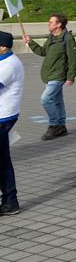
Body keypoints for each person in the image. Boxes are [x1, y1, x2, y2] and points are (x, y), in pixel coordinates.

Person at [24, 13, 76, 140]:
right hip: (48, 75)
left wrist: (71, 76)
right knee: (57, 101)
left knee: (46, 99)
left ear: (59, 24)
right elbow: (44, 52)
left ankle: (54, 125)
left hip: (58, 75)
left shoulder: (68, 38)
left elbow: (73, 59)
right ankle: (61, 126)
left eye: (51, 22)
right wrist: (30, 42)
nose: (48, 24)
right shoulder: (51, 37)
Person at [0, 31, 24, 215]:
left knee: (3, 161)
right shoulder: (5, 61)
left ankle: (10, 201)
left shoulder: (9, 65)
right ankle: (9, 200)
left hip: (3, 117)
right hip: (4, 116)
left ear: (2, 47)